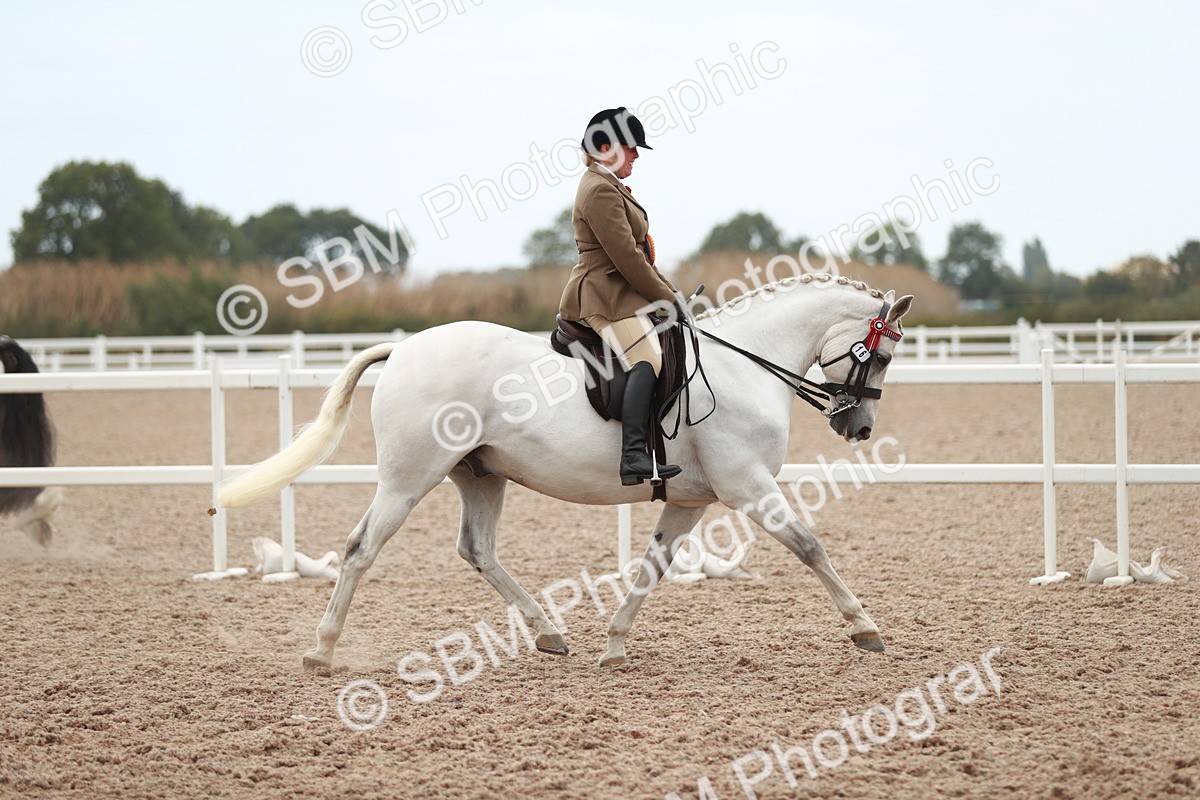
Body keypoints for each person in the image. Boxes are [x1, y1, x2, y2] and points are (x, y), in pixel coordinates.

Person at [558, 107, 683, 486]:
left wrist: (669, 293)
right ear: (605, 148)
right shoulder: (598, 190)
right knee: (647, 356)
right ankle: (632, 456)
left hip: (619, 293)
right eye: (631, 147)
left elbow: (639, 252)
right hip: (602, 297)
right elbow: (627, 258)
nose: (636, 155)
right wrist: (667, 300)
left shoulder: (608, 185)